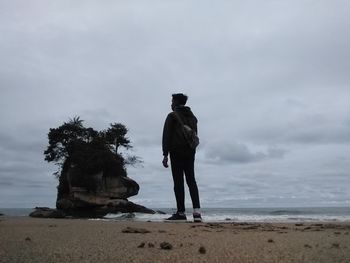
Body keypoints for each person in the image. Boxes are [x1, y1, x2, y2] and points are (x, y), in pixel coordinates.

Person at [162, 93, 202, 222]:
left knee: (178, 182)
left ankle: (181, 213)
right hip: (190, 152)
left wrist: (165, 154)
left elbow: (166, 135)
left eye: (172, 101)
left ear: (176, 102)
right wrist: (192, 151)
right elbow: (194, 136)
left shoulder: (172, 116)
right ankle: (197, 213)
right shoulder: (193, 118)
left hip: (176, 152)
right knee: (191, 181)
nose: (171, 104)